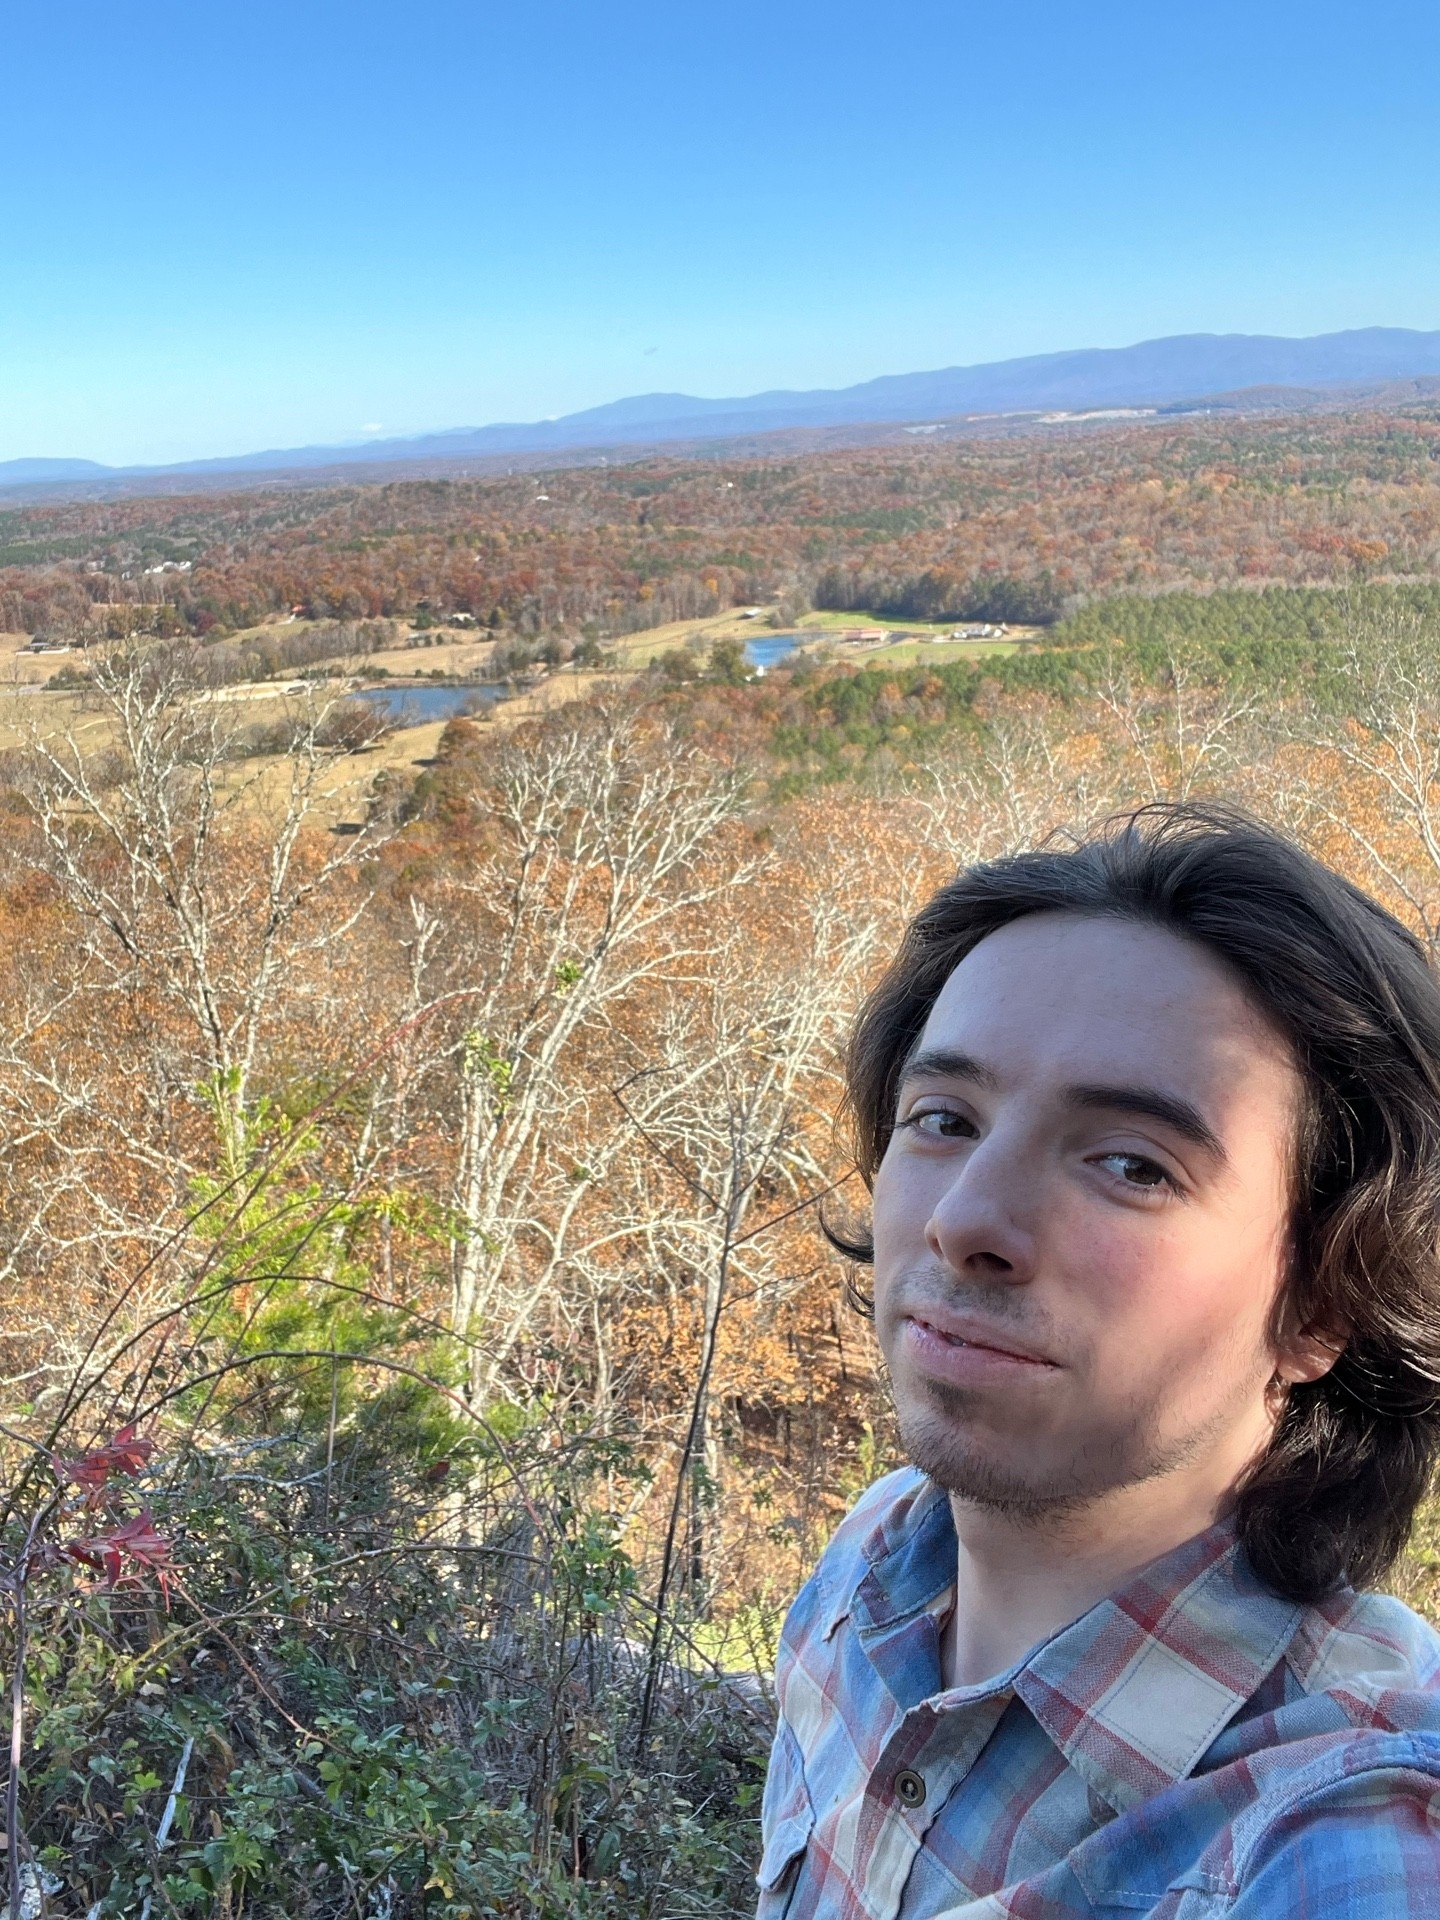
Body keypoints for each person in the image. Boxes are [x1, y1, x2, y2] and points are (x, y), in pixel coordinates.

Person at [758, 806, 1440, 1918]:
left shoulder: (1345, 1848)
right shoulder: (868, 1572)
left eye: (1131, 1165)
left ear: (1324, 1302)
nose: (964, 1219)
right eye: (944, 1119)